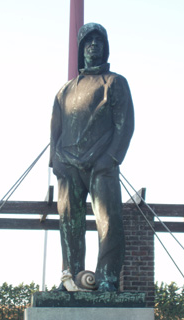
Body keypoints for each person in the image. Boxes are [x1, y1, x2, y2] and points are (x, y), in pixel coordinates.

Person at [50, 22, 134, 291]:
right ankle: (71, 278)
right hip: (69, 165)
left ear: (105, 47)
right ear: (81, 49)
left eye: (99, 41)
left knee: (109, 221)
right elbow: (56, 128)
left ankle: (107, 277)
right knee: (68, 224)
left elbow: (125, 125)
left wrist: (110, 158)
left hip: (101, 163)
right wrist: (57, 161)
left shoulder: (115, 82)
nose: (93, 45)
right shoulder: (65, 91)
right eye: (88, 41)